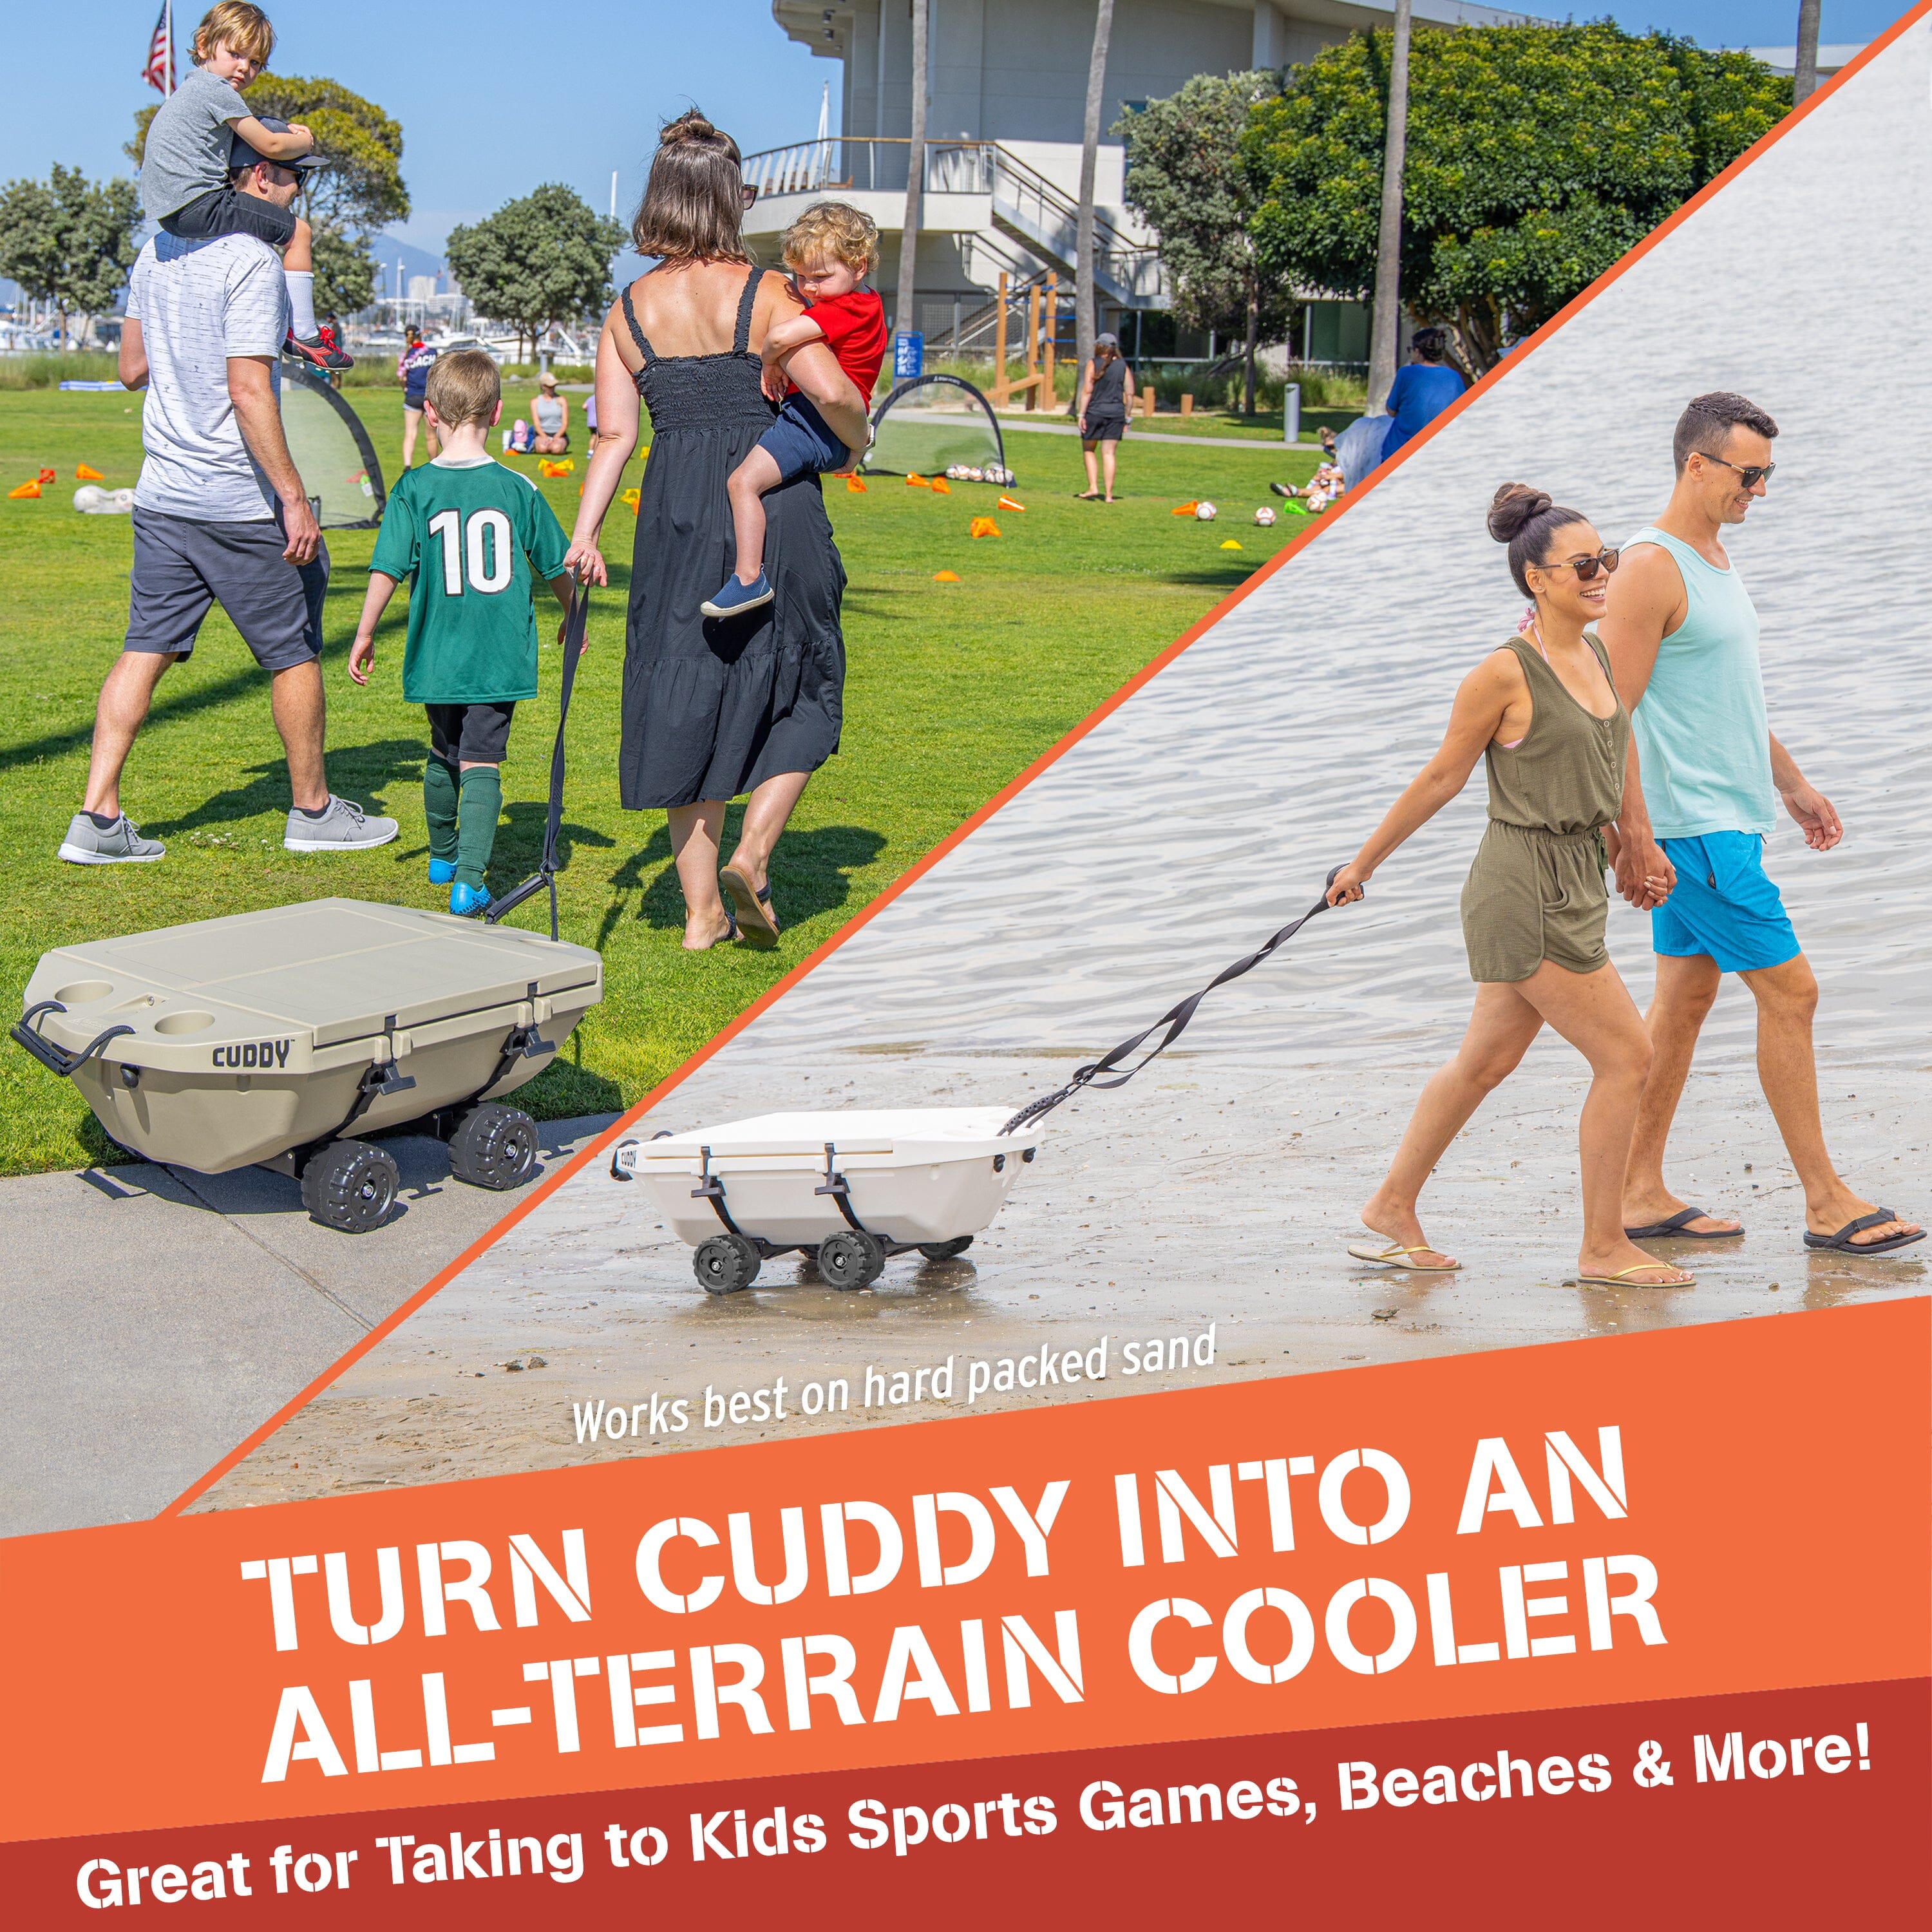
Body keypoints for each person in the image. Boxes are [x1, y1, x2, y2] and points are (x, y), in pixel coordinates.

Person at [1322, 484, 1690, 1289]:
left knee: (1484, 1063)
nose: (1604, 576)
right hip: (1519, 888)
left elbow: (1610, 751)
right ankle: (1602, 1247)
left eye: (1610, 560)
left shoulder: (1593, 652)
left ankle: (1390, 1207)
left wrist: (1633, 843)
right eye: (1585, 565)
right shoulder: (1503, 673)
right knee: (1628, 1056)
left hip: (1577, 878)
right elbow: (1441, 777)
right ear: (1537, 579)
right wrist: (1362, 865)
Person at [1602, 392, 1922, 1257]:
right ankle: (1824, 1201)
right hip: (1691, 831)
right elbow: (1609, 711)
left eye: (1769, 476)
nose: (1761, 491)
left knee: (1683, 1003)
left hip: (1727, 818)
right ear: (1696, 465)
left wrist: (1793, 785)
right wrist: (1632, 834)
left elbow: (1721, 698)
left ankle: (1636, 1191)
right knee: (1793, 993)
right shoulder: (1650, 566)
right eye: (1749, 475)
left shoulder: (1711, 557)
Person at [564, 111, 869, 951]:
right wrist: (858, 436)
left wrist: (583, 535)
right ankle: (756, 854)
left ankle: (701, 917)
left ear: (663, 195)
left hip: (676, 513)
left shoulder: (626, 312)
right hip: (773, 501)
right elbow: (831, 388)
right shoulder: (771, 293)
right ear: (729, 199)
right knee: (804, 682)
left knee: (683, 700)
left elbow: (614, 438)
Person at [59, 128, 397, 866]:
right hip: (235, 499)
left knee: (144, 648)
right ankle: (312, 811)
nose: (297, 193)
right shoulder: (251, 258)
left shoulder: (156, 250)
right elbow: (248, 391)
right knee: (294, 654)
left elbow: (129, 368)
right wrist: (293, 498)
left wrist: (191, 361)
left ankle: (96, 816)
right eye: (292, 180)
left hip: (163, 494)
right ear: (256, 180)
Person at [347, 352, 576, 914]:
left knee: (442, 748)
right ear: (497, 413)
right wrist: (575, 613)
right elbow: (555, 566)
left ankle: (444, 855)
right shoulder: (518, 488)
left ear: (429, 413)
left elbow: (387, 567)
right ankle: (469, 881)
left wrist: (364, 632)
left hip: (437, 648)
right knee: (481, 760)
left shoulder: (414, 487)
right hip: (496, 652)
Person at [137, 3, 350, 371]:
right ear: (204, 45)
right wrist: (305, 142)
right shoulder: (216, 91)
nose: (244, 69)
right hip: (199, 204)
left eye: (255, 63)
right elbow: (270, 146)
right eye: (235, 54)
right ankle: (305, 334)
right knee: (299, 233)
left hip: (168, 212)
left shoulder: (189, 92)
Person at [705, 200, 885, 619]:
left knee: (742, 484)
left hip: (815, 423)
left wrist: (769, 362)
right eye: (800, 277)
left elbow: (782, 335)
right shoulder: (870, 300)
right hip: (834, 427)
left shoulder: (849, 307)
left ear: (859, 267)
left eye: (821, 277)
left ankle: (749, 579)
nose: (809, 289)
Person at [1380, 326, 1464, 460]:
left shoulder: (1406, 373)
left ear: (1418, 352)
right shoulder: (1454, 378)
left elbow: (1391, 411)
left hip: (1399, 449)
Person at [1074, 333, 1133, 501]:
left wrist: (1081, 414)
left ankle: (1093, 487)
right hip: (1116, 414)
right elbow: (1130, 394)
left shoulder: (1093, 364)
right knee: (1109, 454)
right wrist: (1127, 417)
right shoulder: (1123, 366)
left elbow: (1087, 391)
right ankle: (1108, 495)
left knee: (1088, 449)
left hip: (1095, 412)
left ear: (1099, 346)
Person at [398, 324, 439, 467]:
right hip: (430, 398)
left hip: (412, 397)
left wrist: (405, 389)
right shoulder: (433, 353)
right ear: (420, 335)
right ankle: (435, 466)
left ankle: (407, 466)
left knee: (410, 434)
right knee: (431, 436)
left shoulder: (406, 354)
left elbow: (402, 377)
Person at [531, 371, 571, 454]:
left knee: (556, 449)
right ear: (543, 386)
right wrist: (545, 437)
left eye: (554, 386)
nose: (552, 388)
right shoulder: (535, 402)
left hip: (559, 434)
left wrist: (556, 437)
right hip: (542, 434)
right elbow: (537, 424)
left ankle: (561, 444)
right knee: (542, 449)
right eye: (549, 386)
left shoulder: (562, 400)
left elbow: (565, 423)